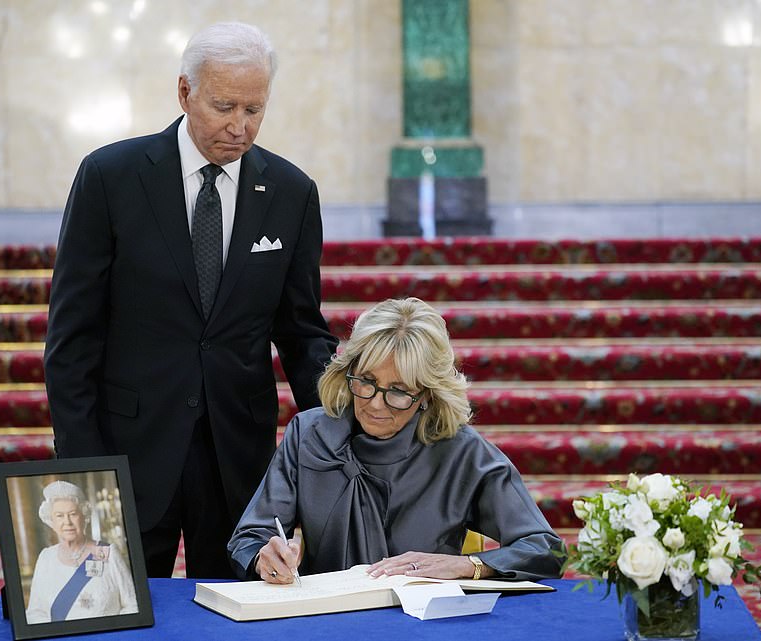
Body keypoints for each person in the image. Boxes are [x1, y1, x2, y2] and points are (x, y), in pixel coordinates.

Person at [43, 21, 338, 579]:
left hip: (238, 459)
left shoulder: (291, 192)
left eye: (255, 109)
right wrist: (83, 469)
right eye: (224, 106)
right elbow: (72, 338)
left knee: (237, 619)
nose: (240, 126)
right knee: (120, 617)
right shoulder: (110, 177)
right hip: (128, 448)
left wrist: (339, 426)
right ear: (185, 92)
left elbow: (302, 332)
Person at [228, 298, 565, 583]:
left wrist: (467, 565)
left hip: (425, 625)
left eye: (399, 391)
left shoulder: (462, 451)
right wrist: (264, 556)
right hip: (326, 622)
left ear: (426, 396)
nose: (375, 403)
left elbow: (544, 548)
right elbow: (249, 536)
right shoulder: (309, 434)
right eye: (367, 380)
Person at [25, 481, 137, 623]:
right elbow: (35, 612)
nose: (67, 522)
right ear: (51, 521)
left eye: (73, 514)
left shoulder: (108, 553)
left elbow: (132, 605)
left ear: (84, 516)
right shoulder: (46, 558)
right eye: (59, 516)